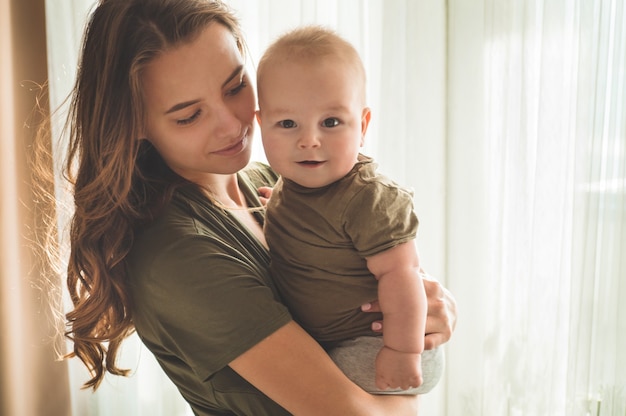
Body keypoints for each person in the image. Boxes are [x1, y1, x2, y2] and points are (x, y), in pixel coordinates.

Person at [51, 0, 457, 415]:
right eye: (190, 115)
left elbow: (386, 277)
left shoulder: (277, 182)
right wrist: (405, 368)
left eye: (234, 87)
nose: (233, 125)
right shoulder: (179, 254)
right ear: (134, 121)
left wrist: (427, 316)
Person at [256, 25, 443, 395]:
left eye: (331, 122)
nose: (309, 140)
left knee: (311, 387)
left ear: (363, 125)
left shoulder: (367, 199)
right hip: (337, 339)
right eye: (288, 124)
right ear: (261, 125)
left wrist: (401, 351)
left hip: (376, 343)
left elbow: (402, 275)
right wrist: (275, 207)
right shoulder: (290, 186)